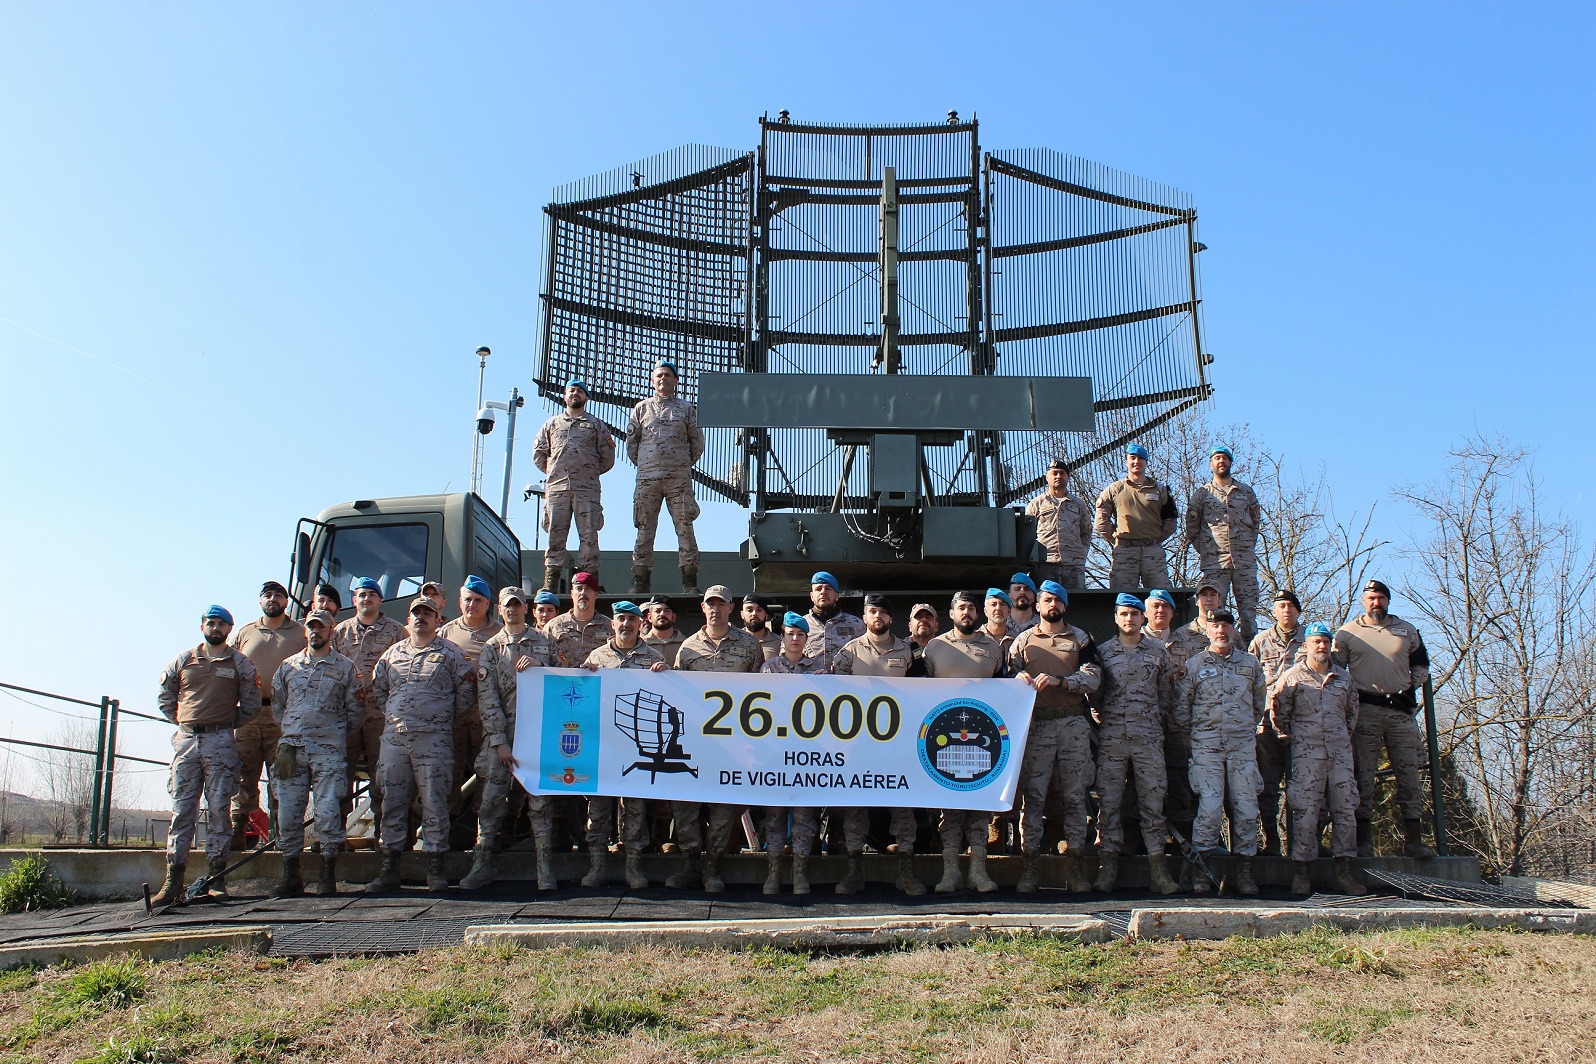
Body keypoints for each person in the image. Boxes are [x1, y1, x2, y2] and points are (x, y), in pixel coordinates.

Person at [363, 597, 475, 894]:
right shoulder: (391, 655)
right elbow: (379, 691)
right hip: (396, 738)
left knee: (435, 802)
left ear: (438, 619)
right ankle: (389, 868)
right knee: (392, 801)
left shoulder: (451, 653)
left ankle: (435, 867)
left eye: (428, 613)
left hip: (434, 738)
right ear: (409, 619)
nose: (421, 618)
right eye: (416, 613)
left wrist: (441, 717)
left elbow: (466, 692)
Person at [152, 605, 262, 905]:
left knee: (219, 810)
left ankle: (216, 879)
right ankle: (173, 880)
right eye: (210, 623)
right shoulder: (184, 660)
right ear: (203, 626)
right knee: (182, 810)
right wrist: (184, 721)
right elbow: (165, 697)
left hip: (220, 740)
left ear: (230, 629)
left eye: (221, 624)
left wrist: (224, 725)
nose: (215, 628)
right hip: (186, 741)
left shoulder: (240, 663)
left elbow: (251, 704)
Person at [460, 587, 557, 892]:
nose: (513, 610)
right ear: (499, 610)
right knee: (491, 800)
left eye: (517, 604)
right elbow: (487, 699)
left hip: (539, 734)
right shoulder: (491, 648)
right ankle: (482, 864)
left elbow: (566, 678)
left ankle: (545, 868)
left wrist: (541, 667)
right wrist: (500, 741)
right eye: (507, 606)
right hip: (503, 736)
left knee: (540, 802)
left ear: (526, 608)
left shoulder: (545, 642)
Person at [668, 585, 762, 892]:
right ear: (703, 607)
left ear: (731, 608)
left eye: (721, 604)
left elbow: (763, 693)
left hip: (732, 742)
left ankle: (713, 867)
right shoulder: (688, 648)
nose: (715, 609)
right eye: (710, 604)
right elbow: (676, 692)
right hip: (693, 742)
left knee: (724, 807)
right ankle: (689, 863)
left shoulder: (748, 645)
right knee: (685, 805)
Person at [1009, 581, 1101, 892]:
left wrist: (1062, 682)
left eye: (1057, 601)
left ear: (1064, 606)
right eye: (1047, 600)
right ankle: (1030, 866)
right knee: (1033, 798)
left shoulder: (1080, 638)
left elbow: (1094, 676)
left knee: (1074, 797)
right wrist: (1017, 677)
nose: (1052, 605)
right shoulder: (1023, 641)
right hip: (1037, 726)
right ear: (1037, 605)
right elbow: (1007, 673)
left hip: (1073, 724)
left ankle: (1075, 868)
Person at [1334, 579, 1435, 859]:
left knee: (1409, 775)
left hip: (1400, 713)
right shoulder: (1348, 633)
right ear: (1363, 602)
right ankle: (1364, 841)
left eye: (1380, 598)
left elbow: (1422, 665)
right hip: (1366, 711)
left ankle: (1414, 840)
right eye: (1370, 598)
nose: (1375, 603)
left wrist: (1410, 688)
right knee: (1363, 777)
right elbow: (1336, 670)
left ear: (1387, 600)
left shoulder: (1406, 630)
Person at [830, 593, 923, 895]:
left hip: (897, 744)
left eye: (883, 612)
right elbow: (834, 694)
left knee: (903, 807)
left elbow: (921, 695)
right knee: (856, 809)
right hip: (859, 744)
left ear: (891, 618)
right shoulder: (849, 652)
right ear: (865, 617)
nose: (878, 617)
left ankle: (907, 873)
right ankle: (854, 872)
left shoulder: (906, 652)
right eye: (872, 612)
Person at [1270, 622, 1367, 897]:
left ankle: (1344, 871)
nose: (1321, 646)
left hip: (1339, 755)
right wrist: (1295, 739)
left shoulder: (1343, 678)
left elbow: (1351, 715)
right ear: (1306, 646)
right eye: (1316, 642)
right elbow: (1279, 714)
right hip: (1306, 754)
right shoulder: (1292, 677)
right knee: (1305, 812)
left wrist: (1338, 739)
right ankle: (1302, 872)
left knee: (1345, 811)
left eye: (1325, 641)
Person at [1091, 594, 1180, 895]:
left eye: (1134, 614)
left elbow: (1166, 695)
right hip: (1113, 738)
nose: (1129, 619)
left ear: (1143, 618)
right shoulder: (1102, 653)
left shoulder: (1158, 653)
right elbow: (1095, 696)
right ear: (1116, 617)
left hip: (1148, 738)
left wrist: (1153, 722)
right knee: (1110, 803)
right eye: (1124, 614)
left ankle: (1159, 870)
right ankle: (1107, 870)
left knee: (1153, 803)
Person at [1175, 608, 1267, 896]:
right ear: (1208, 631)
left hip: (1241, 746)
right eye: (1216, 626)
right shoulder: (1194, 666)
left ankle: (1246, 872)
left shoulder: (1250, 665)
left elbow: (1258, 705)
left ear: (1233, 630)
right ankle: (1202, 870)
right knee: (1210, 809)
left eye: (1226, 626)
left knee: (1246, 808)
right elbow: (1181, 709)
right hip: (1206, 745)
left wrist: (1242, 728)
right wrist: (1200, 734)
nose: (1221, 631)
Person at [269, 610, 359, 898]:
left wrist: (331, 734)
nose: (316, 632)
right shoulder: (288, 667)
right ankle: (290, 875)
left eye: (321, 627)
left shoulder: (345, 668)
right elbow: (278, 706)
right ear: (305, 632)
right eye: (311, 628)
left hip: (328, 750)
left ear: (331, 631)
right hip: (291, 750)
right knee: (288, 812)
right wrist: (293, 732)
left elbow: (355, 712)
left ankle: (326, 875)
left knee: (328, 812)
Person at [923, 590, 1007, 894]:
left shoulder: (994, 648)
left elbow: (1005, 691)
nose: (967, 613)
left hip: (983, 742)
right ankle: (950, 873)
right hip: (942, 742)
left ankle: (978, 871)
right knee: (950, 809)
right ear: (952, 613)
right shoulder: (934, 647)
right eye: (962, 608)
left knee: (979, 808)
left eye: (972, 608)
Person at [580, 600, 668, 889]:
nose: (626, 624)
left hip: (636, 746)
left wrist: (665, 676)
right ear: (612, 624)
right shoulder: (597, 657)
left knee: (635, 807)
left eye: (632, 619)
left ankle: (633, 867)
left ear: (640, 623)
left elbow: (666, 701)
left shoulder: (652, 657)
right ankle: (597, 866)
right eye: (621, 619)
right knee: (598, 806)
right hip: (602, 746)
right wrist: (584, 676)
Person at [228, 580, 307, 850]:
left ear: (286, 602)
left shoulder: (300, 632)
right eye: (268, 595)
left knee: (283, 778)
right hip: (249, 714)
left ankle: (281, 838)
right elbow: (231, 667)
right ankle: (237, 834)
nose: (273, 599)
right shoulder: (246, 632)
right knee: (242, 776)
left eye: (278, 595)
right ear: (261, 601)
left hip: (283, 715)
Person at [333, 577, 407, 837]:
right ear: (354, 600)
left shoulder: (397, 632)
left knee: (382, 777)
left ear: (380, 600)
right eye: (362, 595)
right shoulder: (339, 632)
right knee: (341, 775)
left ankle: (382, 836)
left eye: (372, 595)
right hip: (347, 716)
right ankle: (335, 836)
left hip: (381, 716)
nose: (367, 599)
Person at [627, 359, 706, 596]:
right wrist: (646, 464)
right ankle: (641, 583)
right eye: (658, 375)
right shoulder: (641, 409)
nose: (663, 379)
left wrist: (681, 463)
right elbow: (632, 444)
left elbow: (697, 442)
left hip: (678, 478)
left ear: (675, 381)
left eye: (667, 375)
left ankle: (689, 582)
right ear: (653, 381)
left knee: (685, 528)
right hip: (647, 479)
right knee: (644, 529)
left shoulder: (686, 408)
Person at [761, 613, 823, 895]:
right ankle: (773, 873)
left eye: (800, 634)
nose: (795, 639)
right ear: (782, 638)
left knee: (804, 816)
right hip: (775, 752)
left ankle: (800, 874)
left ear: (806, 639)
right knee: (774, 816)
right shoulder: (769, 668)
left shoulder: (821, 670)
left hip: (807, 755)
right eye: (790, 634)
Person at [533, 378, 617, 588]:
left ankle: (589, 581)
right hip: (557, 489)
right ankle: (551, 582)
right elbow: (539, 454)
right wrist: (555, 472)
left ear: (586, 397)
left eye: (580, 391)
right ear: (565, 395)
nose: (575, 394)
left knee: (589, 537)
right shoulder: (551, 424)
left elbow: (607, 458)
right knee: (555, 535)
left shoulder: (596, 425)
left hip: (586, 490)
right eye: (572, 390)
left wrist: (587, 473)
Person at [440, 576, 504, 827]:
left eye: (478, 600)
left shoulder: (499, 631)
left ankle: (482, 826)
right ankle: (451, 825)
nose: (472, 605)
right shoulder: (447, 631)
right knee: (451, 769)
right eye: (468, 599)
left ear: (487, 604)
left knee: (486, 772)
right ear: (460, 602)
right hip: (454, 714)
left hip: (486, 715)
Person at [1248, 589, 1305, 856]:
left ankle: (1306, 843)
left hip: (1302, 725)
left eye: (1291, 606)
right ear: (1273, 611)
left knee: (1307, 787)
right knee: (1267, 786)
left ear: (1298, 611)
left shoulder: (1310, 641)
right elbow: (1249, 680)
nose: (1286, 610)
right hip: (1267, 726)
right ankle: (1271, 839)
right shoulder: (1260, 642)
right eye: (1281, 605)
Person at [1186, 445, 1262, 643]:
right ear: (1211, 464)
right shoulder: (1202, 494)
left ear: (1230, 462)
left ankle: (1247, 654)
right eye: (1217, 458)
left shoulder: (1246, 492)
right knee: (1214, 612)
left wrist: (1245, 547)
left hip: (1244, 562)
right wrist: (1206, 550)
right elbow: (1192, 527)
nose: (1221, 462)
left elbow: (1255, 524)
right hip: (1215, 562)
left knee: (1248, 612)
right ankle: (1213, 650)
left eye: (1225, 458)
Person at [1094, 442, 1177, 590]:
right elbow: (1101, 522)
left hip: (1153, 552)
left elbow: (1170, 522)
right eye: (1132, 458)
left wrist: (1154, 539)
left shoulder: (1160, 490)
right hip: (1124, 552)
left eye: (1140, 458)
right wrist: (1117, 539)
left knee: (1160, 596)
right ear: (1126, 462)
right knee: (1122, 597)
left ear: (1146, 462)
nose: (1136, 462)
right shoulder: (1114, 489)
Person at [1026, 458, 1093, 588]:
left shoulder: (1079, 504)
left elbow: (1086, 532)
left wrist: (1081, 554)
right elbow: (1028, 535)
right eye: (1054, 473)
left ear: (1068, 477)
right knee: (1047, 603)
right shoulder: (1037, 504)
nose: (1058, 476)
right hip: (1045, 564)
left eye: (1062, 473)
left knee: (1076, 603)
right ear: (1047, 477)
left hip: (1074, 565)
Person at [801, 571, 865, 673]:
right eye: (818, 589)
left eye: (828, 588)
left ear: (837, 596)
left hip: (847, 685)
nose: (823, 592)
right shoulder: (799, 625)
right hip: (810, 685)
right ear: (812, 596)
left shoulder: (857, 625)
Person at [544, 571, 610, 668]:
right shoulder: (553, 626)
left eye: (588, 589)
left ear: (596, 594)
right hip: (562, 681)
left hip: (599, 681)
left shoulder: (610, 627)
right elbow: (543, 657)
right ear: (571, 593)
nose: (583, 593)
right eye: (579, 589)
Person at [641, 595, 687, 667]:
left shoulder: (687, 645)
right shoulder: (640, 645)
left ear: (674, 617)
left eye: (667, 611)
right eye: (658, 611)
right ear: (649, 617)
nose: (662, 614)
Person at [740, 593, 781, 662]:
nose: (754, 614)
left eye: (759, 610)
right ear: (742, 614)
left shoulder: (779, 643)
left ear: (766, 615)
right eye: (749, 610)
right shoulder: (733, 641)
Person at [906, 602, 939, 677]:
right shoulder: (899, 648)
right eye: (918, 616)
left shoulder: (943, 649)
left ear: (936, 626)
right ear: (910, 626)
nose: (924, 620)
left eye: (928, 617)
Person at [983, 588, 1016, 655]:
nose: (998, 608)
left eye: (1003, 605)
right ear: (985, 611)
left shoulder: (1018, 639)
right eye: (994, 604)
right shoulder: (976, 638)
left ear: (1009, 611)